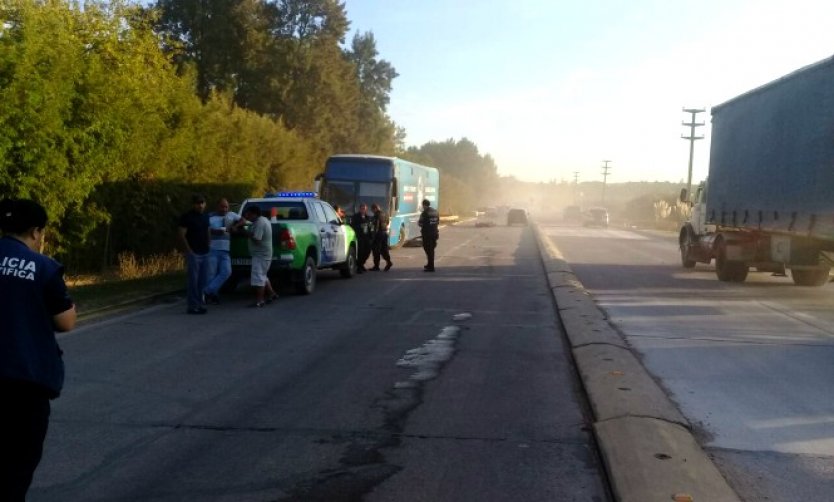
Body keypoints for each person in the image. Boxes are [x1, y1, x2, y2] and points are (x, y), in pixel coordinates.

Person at [0, 198, 76, 501]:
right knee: (17, 466)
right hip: (24, 382)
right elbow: (65, 321)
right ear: (36, 232)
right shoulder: (43, 268)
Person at [233, 205, 277, 307]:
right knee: (263, 276)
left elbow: (257, 239)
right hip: (262, 254)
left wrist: (243, 232)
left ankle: (260, 300)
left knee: (258, 277)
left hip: (261, 254)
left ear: (254, 213)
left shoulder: (260, 223)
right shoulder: (260, 221)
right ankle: (272, 294)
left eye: (248, 214)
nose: (246, 216)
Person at [178, 195, 211, 314]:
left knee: (203, 280)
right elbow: (181, 234)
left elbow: (207, 230)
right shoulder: (187, 217)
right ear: (193, 204)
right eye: (198, 203)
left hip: (205, 252)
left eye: (202, 203)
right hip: (194, 253)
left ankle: (200, 303)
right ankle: (192, 306)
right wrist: (189, 250)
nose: (200, 205)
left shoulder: (206, 216)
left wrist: (209, 245)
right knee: (193, 280)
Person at [203, 198, 239, 304]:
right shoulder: (210, 216)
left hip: (225, 250)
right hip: (212, 249)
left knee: (227, 272)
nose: (224, 209)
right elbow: (206, 229)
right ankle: (213, 296)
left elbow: (244, 220)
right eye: (222, 206)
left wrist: (235, 226)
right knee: (211, 274)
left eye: (226, 207)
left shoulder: (231, 215)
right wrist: (214, 231)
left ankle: (207, 291)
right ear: (217, 206)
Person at [418, 199, 440, 272]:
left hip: (427, 234)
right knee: (431, 250)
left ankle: (431, 266)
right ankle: (430, 264)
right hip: (434, 233)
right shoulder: (436, 212)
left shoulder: (424, 213)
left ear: (424, 205)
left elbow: (420, 223)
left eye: (423, 205)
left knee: (428, 250)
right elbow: (438, 222)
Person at [351, 203, 373, 273]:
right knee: (360, 252)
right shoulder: (355, 217)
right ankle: (359, 267)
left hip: (366, 237)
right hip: (359, 236)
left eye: (365, 209)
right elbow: (352, 226)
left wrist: (371, 236)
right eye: (362, 209)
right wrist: (360, 226)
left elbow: (370, 227)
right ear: (360, 209)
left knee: (368, 251)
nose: (363, 210)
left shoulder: (368, 217)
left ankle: (361, 264)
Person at [370, 203, 392, 272]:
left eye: (372, 210)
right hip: (385, 233)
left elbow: (376, 226)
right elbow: (388, 222)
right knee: (384, 249)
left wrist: (373, 236)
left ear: (375, 209)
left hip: (378, 234)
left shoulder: (377, 215)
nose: (372, 212)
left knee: (376, 250)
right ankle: (388, 262)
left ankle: (376, 266)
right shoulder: (385, 213)